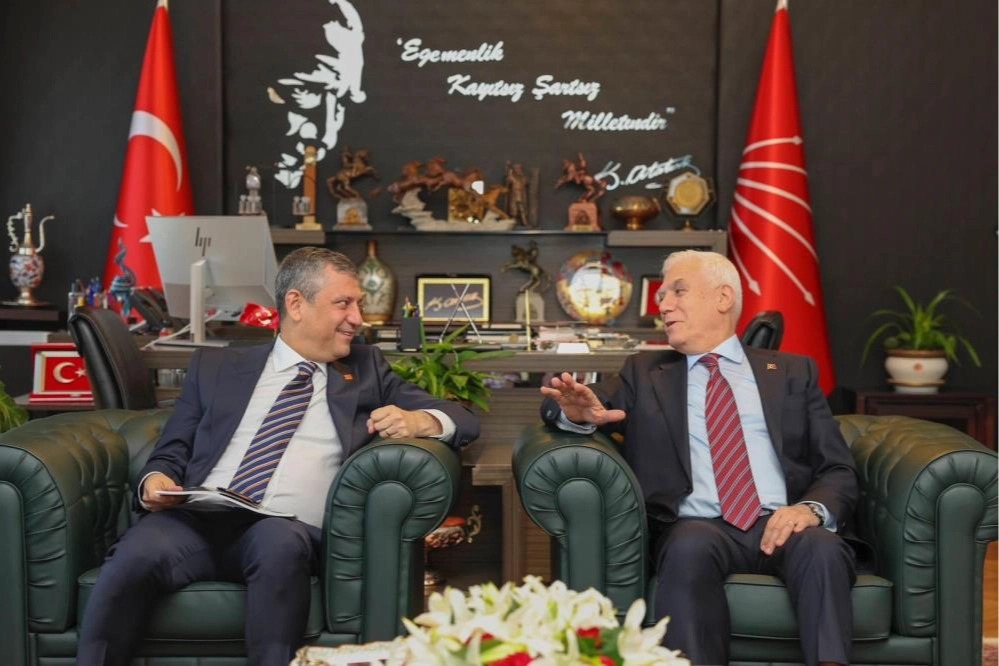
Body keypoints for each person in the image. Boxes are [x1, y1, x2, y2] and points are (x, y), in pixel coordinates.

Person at [77, 247, 479, 666]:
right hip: (197, 519)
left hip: (284, 527)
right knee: (136, 553)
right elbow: (172, 447)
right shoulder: (217, 367)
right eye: (343, 303)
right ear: (296, 304)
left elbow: (463, 419)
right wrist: (155, 479)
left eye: (358, 304)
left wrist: (419, 421)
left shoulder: (365, 370)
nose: (357, 318)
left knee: (278, 545)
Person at [540, 250, 858, 666]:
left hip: (782, 519)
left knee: (823, 549)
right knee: (688, 549)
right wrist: (573, 411)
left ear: (723, 298)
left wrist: (810, 509)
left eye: (678, 292)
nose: (664, 305)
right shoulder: (644, 372)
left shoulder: (794, 372)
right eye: (662, 297)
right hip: (696, 525)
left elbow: (837, 466)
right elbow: (577, 402)